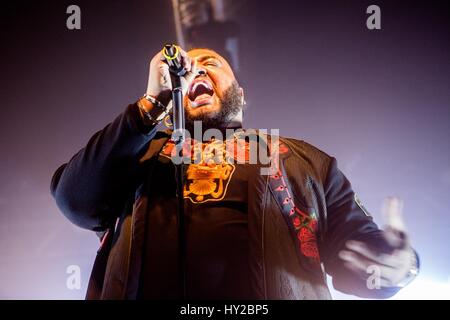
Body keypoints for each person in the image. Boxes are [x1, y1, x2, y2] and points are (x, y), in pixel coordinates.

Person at [51, 47, 419, 300]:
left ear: (240, 95)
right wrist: (149, 106)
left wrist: (395, 265)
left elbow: (357, 258)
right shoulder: (137, 149)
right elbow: (75, 200)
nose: (195, 70)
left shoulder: (305, 160)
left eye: (210, 62)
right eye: (186, 68)